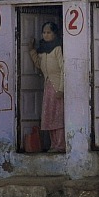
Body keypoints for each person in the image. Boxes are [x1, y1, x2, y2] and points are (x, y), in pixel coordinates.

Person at [28, 21, 66, 153]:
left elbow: (63, 69)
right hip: (48, 86)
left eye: (49, 32)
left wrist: (61, 89)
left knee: (58, 117)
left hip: (57, 87)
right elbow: (39, 64)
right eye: (44, 32)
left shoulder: (57, 48)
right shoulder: (42, 49)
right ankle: (53, 145)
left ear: (55, 34)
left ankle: (60, 145)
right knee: (49, 116)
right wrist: (32, 50)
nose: (46, 35)